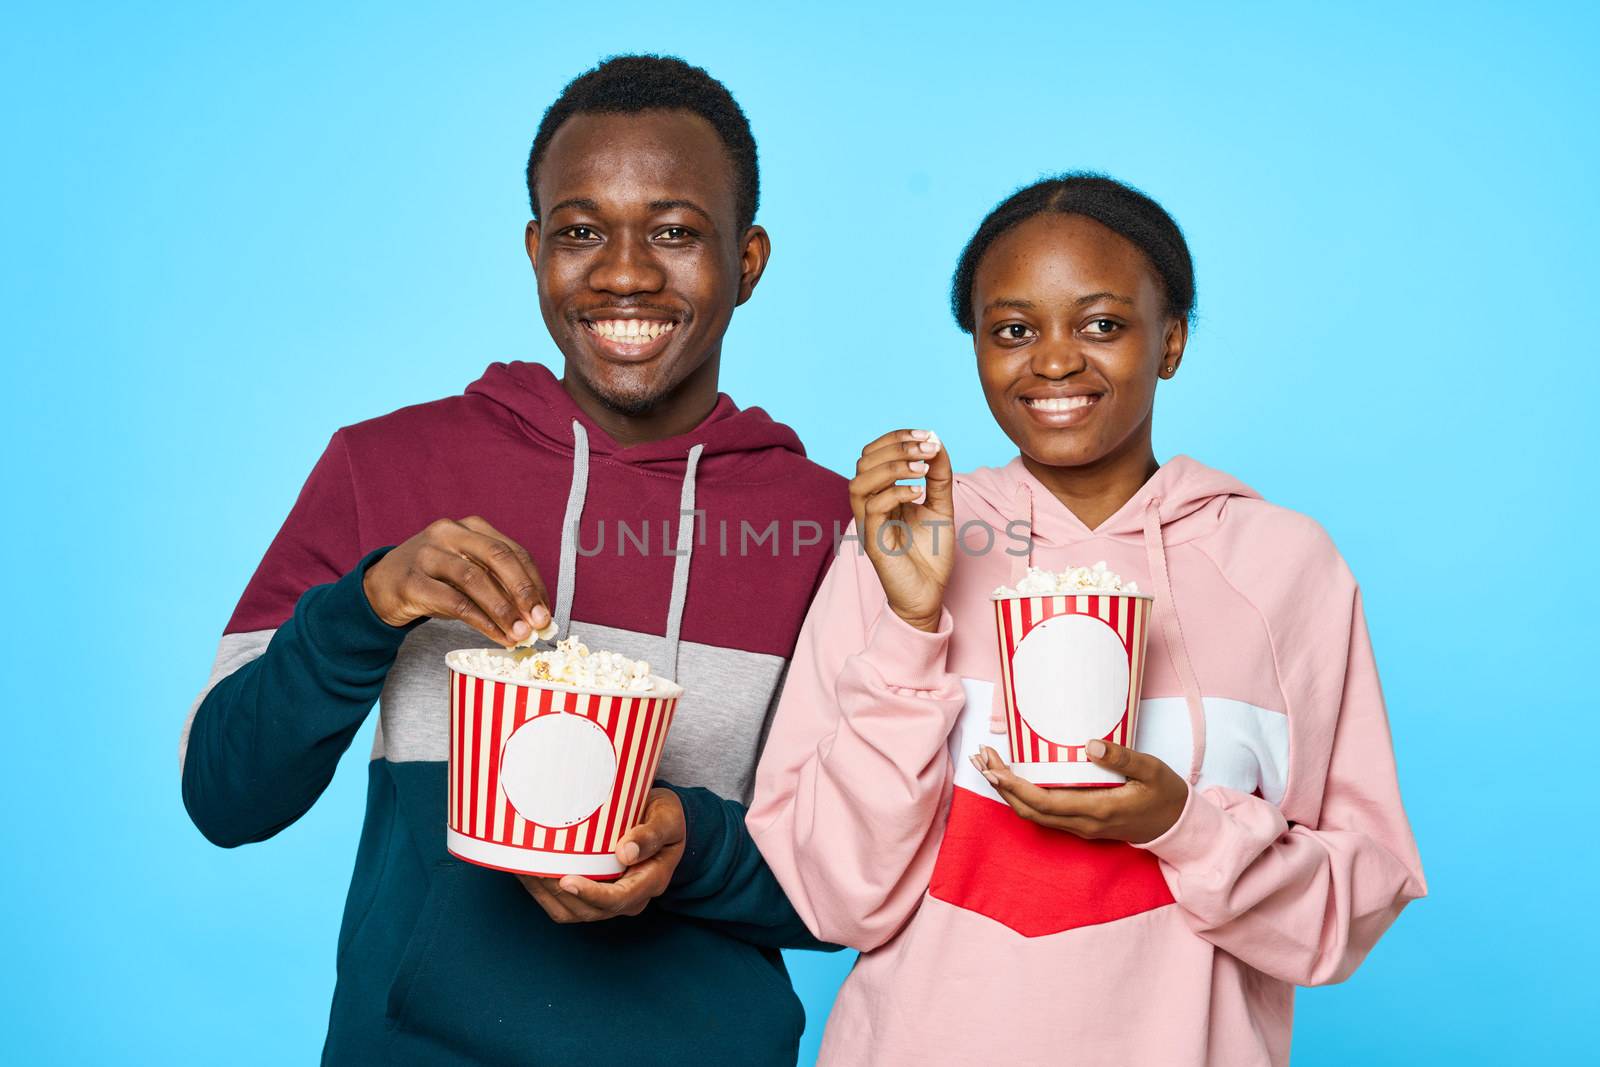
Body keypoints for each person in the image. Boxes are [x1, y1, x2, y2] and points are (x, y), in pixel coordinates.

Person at [180, 55, 848, 1066]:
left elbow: (862, 876)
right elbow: (225, 794)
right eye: (581, 231)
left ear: (747, 261)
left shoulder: (825, 529)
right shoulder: (387, 466)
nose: (624, 270)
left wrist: (694, 848)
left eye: (674, 231)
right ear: (536, 251)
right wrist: (361, 609)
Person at [748, 173, 1426, 1066]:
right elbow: (836, 899)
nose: (1054, 360)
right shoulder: (905, 543)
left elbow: (1346, 916)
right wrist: (913, 624)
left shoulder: (1285, 570)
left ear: (1171, 339)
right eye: (1013, 330)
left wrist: (1182, 826)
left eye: (1101, 323)